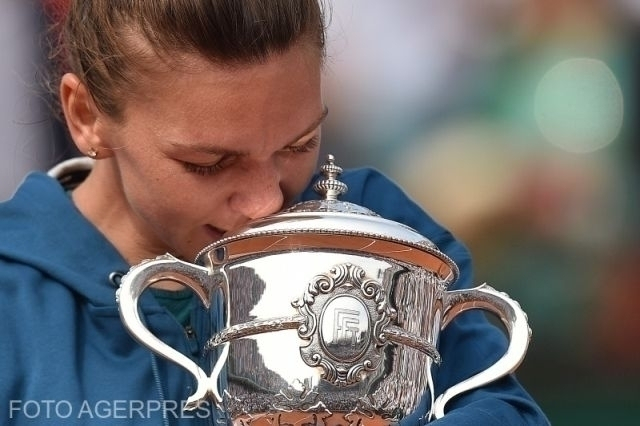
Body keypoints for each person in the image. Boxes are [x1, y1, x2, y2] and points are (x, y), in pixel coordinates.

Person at [0, 1, 549, 425]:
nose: (266, 200)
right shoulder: (13, 301)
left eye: (299, 143)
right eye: (210, 164)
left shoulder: (383, 231)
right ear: (86, 115)